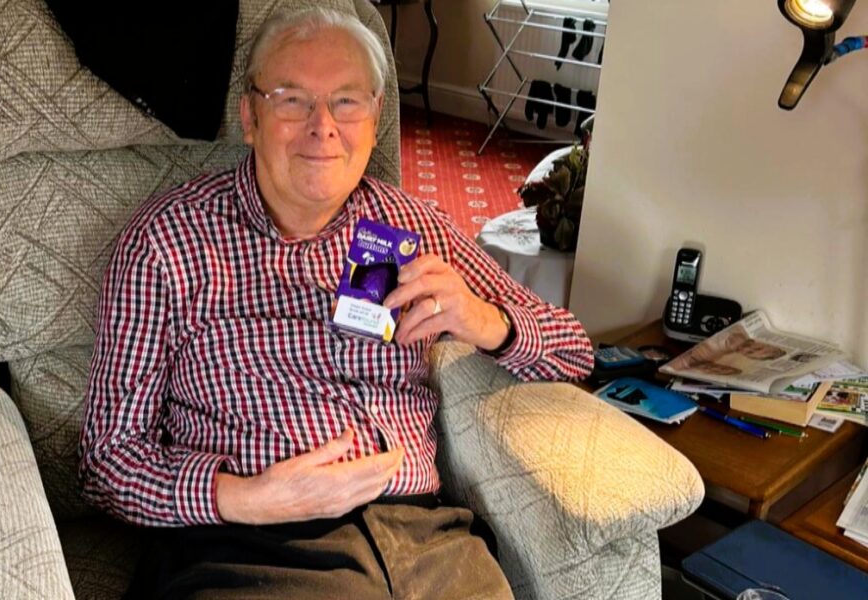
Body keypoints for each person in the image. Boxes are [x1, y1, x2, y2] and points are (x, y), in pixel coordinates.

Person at [78, 8, 593, 599]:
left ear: (374, 119)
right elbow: (106, 462)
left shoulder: (416, 227)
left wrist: (487, 322)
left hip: (429, 543)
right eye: (292, 100)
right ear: (249, 116)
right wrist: (245, 498)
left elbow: (576, 351)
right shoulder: (166, 242)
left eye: (346, 102)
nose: (323, 127)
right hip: (250, 549)